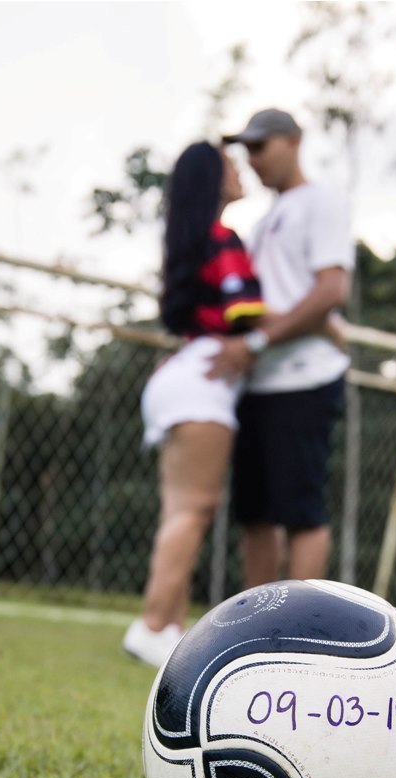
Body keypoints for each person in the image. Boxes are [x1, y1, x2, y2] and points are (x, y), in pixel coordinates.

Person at [122, 141, 267, 667]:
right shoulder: (221, 237)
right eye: (229, 165)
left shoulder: (190, 239)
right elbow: (247, 315)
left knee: (179, 512)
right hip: (202, 383)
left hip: (182, 377)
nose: (238, 171)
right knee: (193, 510)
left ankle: (167, 628)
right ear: (213, 180)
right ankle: (154, 624)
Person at [212, 108, 354, 587]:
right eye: (244, 150)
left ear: (294, 141)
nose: (251, 158)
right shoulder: (261, 222)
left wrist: (259, 338)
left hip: (305, 376)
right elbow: (262, 303)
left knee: (301, 512)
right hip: (256, 382)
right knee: (255, 513)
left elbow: (331, 289)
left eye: (259, 146)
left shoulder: (321, 202)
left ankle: (298, 635)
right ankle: (257, 632)